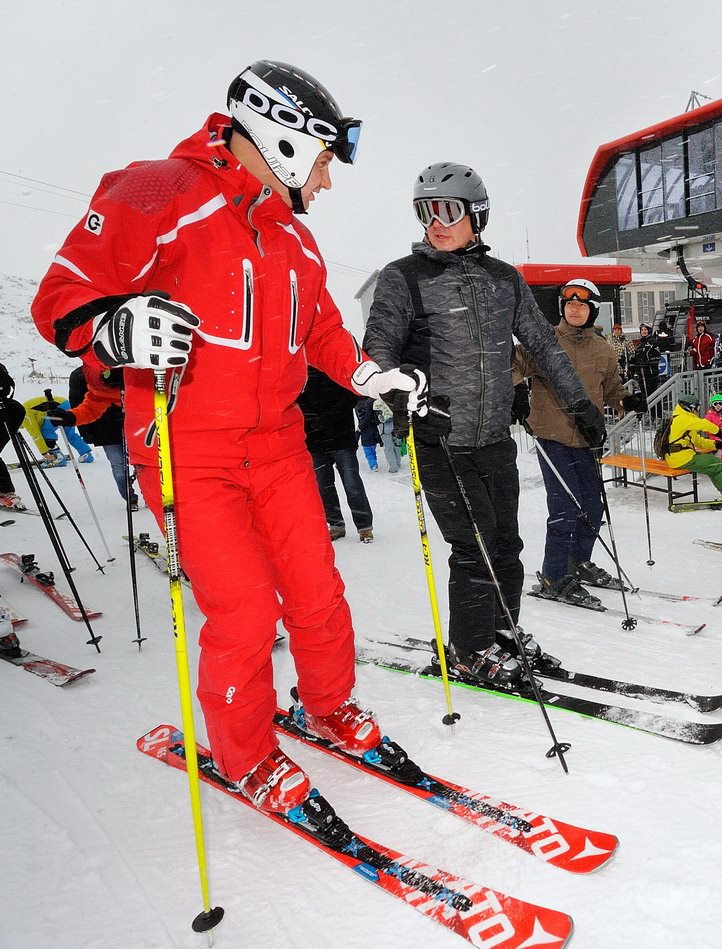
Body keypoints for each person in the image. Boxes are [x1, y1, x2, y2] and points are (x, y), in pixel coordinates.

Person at [29, 60, 425, 816]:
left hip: (277, 446)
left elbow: (322, 332)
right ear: (279, 141)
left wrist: (370, 376)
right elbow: (62, 296)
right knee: (245, 612)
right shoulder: (158, 190)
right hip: (188, 451)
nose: (327, 183)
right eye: (320, 163)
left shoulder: (296, 243)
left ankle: (328, 704)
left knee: (317, 590)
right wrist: (114, 328)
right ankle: (246, 754)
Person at [364, 161, 600, 684]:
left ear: (477, 215)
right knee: (472, 549)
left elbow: (543, 347)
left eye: (447, 210)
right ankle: (470, 652)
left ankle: (502, 633)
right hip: (440, 437)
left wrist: (581, 407)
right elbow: (377, 346)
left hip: (493, 438)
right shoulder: (404, 278)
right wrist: (393, 383)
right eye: (425, 211)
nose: (435, 222)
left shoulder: (504, 280)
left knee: (507, 545)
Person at [515, 278, 629, 608]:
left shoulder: (602, 348)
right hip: (552, 436)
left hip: (586, 438)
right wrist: (516, 390)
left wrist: (628, 400)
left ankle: (576, 562)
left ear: (592, 310)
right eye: (569, 304)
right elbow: (513, 364)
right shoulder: (545, 340)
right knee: (564, 508)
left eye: (582, 305)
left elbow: (612, 390)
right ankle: (553, 575)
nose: (575, 309)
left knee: (592, 506)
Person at [44, 365, 139, 509]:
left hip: (137, 426)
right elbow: (79, 403)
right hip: (105, 428)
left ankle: (153, 498)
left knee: (145, 464)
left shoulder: (130, 366)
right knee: (119, 466)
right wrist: (83, 430)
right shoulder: (80, 375)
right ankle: (130, 498)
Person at [299, 368, 374, 543]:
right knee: (324, 486)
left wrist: (323, 419)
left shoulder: (336, 369)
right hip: (315, 441)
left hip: (342, 439)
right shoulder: (302, 371)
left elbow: (350, 398)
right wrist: (312, 420)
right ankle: (336, 525)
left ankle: (364, 527)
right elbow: (298, 401)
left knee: (352, 483)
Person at [660, 396, 722, 498]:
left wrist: (716, 444)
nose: (697, 411)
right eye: (697, 408)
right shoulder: (683, 418)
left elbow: (698, 441)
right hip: (682, 458)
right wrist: (719, 432)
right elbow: (704, 424)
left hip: (679, 457)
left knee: (713, 464)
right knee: (716, 464)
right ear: (690, 408)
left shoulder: (681, 418)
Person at [0, 364, 28, 510]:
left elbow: (7, 385)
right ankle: (6, 491)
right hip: (12, 409)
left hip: (8, 411)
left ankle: (6, 492)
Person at [355, 397, 383, 471]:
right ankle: (374, 463)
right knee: (373, 451)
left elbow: (361, 422)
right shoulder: (369, 402)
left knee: (368, 453)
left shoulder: (358, 405)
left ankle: (373, 465)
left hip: (365, 435)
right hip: (373, 432)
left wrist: (359, 430)